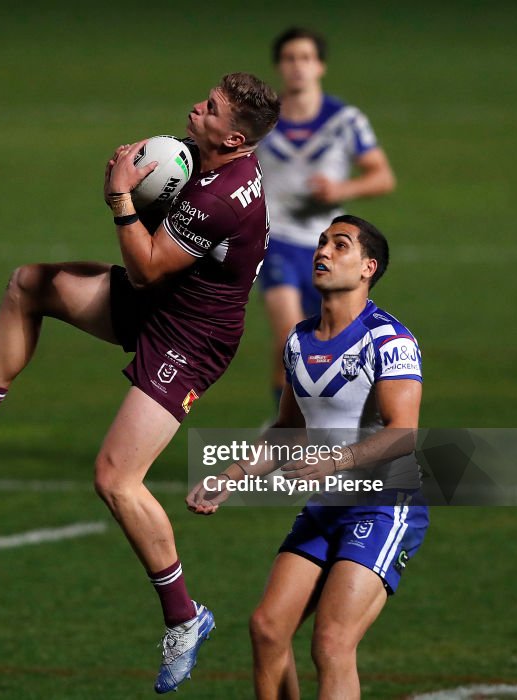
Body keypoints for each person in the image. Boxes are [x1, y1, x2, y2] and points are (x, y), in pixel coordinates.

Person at [0, 73, 280, 693]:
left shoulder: (221, 196)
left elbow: (147, 267)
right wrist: (148, 188)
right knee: (29, 284)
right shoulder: (210, 169)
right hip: (169, 300)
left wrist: (123, 198)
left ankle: (185, 617)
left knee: (115, 478)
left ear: (234, 137)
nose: (195, 107)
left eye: (209, 108)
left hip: (191, 338)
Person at [187, 215, 428, 699]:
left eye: (341, 246)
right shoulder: (298, 341)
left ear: (367, 268)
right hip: (329, 504)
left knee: (333, 643)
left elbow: (404, 433)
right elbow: (288, 430)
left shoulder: (388, 339)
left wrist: (337, 461)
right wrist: (231, 476)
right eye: (322, 243)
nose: (324, 252)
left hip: (384, 505)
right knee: (267, 628)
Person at [257, 27, 395, 409]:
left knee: (325, 343)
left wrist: (340, 191)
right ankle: (286, 429)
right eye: (289, 59)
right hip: (275, 242)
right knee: (288, 336)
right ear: (279, 67)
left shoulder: (344, 121)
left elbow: (382, 176)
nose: (297, 67)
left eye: (305, 58)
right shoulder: (262, 121)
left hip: (327, 247)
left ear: (320, 66)